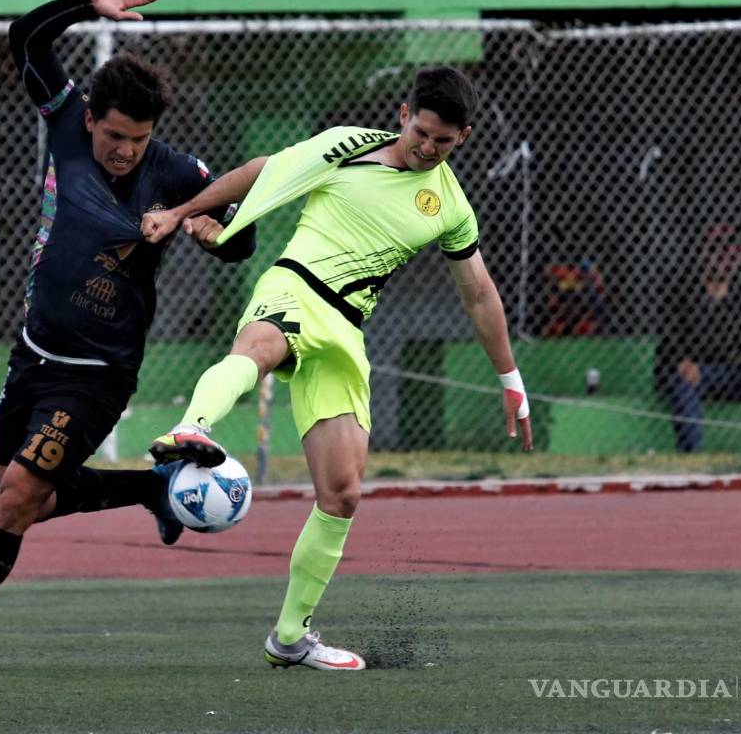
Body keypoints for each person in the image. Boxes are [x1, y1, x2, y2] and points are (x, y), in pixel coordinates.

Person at [0, 0, 255, 673]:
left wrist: (214, 233)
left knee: (16, 500)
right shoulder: (65, 122)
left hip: (100, 375)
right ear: (89, 120)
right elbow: (25, 39)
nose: (125, 150)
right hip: (33, 352)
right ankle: (153, 488)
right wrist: (88, 4)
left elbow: (242, 238)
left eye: (138, 139)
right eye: (114, 136)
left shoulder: (173, 172)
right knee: (30, 501)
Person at [141, 67, 532, 671]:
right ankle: (192, 429)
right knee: (258, 350)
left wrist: (510, 379)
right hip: (295, 284)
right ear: (404, 114)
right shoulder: (347, 144)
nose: (428, 147)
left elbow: (478, 292)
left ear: (465, 137)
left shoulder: (451, 206)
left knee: (343, 493)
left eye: (444, 142)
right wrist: (183, 212)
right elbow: (264, 173)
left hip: (347, 330)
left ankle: (290, 638)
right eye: (422, 132)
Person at [654, 223, 741, 452]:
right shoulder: (681, 289)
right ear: (704, 254)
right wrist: (681, 360)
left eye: (731, 256)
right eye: (717, 254)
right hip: (691, 370)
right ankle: (693, 456)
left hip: (727, 371)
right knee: (681, 381)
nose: (725, 261)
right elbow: (667, 335)